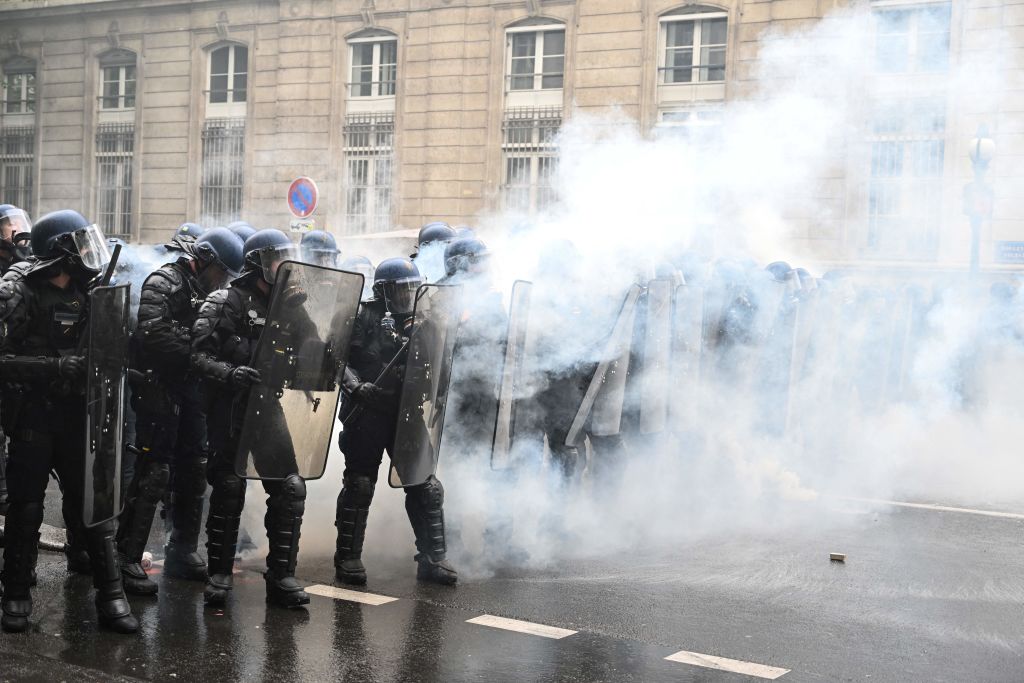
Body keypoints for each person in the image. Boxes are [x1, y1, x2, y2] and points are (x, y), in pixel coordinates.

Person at [0, 209, 138, 633]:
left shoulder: (91, 289)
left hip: (81, 414)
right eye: (77, 243)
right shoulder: (18, 291)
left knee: (93, 505)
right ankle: (17, 595)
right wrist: (56, 367)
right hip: (33, 415)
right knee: (26, 508)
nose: (85, 251)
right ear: (61, 250)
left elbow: (117, 348)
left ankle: (112, 596)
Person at [116, 228, 244, 595]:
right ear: (202, 259)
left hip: (192, 389)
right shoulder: (165, 281)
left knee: (193, 468)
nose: (223, 280)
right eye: (220, 271)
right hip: (159, 387)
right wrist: (199, 352)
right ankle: (127, 556)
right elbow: (153, 333)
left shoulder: (209, 292)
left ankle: (182, 550)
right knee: (154, 471)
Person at [191, 229, 310, 608]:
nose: (285, 264)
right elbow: (197, 356)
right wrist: (230, 373)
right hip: (230, 408)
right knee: (229, 488)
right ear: (260, 262)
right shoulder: (227, 301)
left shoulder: (290, 306)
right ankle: (220, 574)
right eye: (278, 257)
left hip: (267, 407)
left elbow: (317, 350)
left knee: (289, 487)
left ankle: (282, 576)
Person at [334, 258, 458, 587]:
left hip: (407, 412)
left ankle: (433, 558)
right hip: (367, 412)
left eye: (410, 289)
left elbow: (440, 362)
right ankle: (347, 557)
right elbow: (336, 358)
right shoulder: (361, 316)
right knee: (359, 484)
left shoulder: (424, 319)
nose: (406, 296)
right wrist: (357, 387)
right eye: (399, 290)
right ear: (383, 291)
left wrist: (426, 332)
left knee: (425, 484)